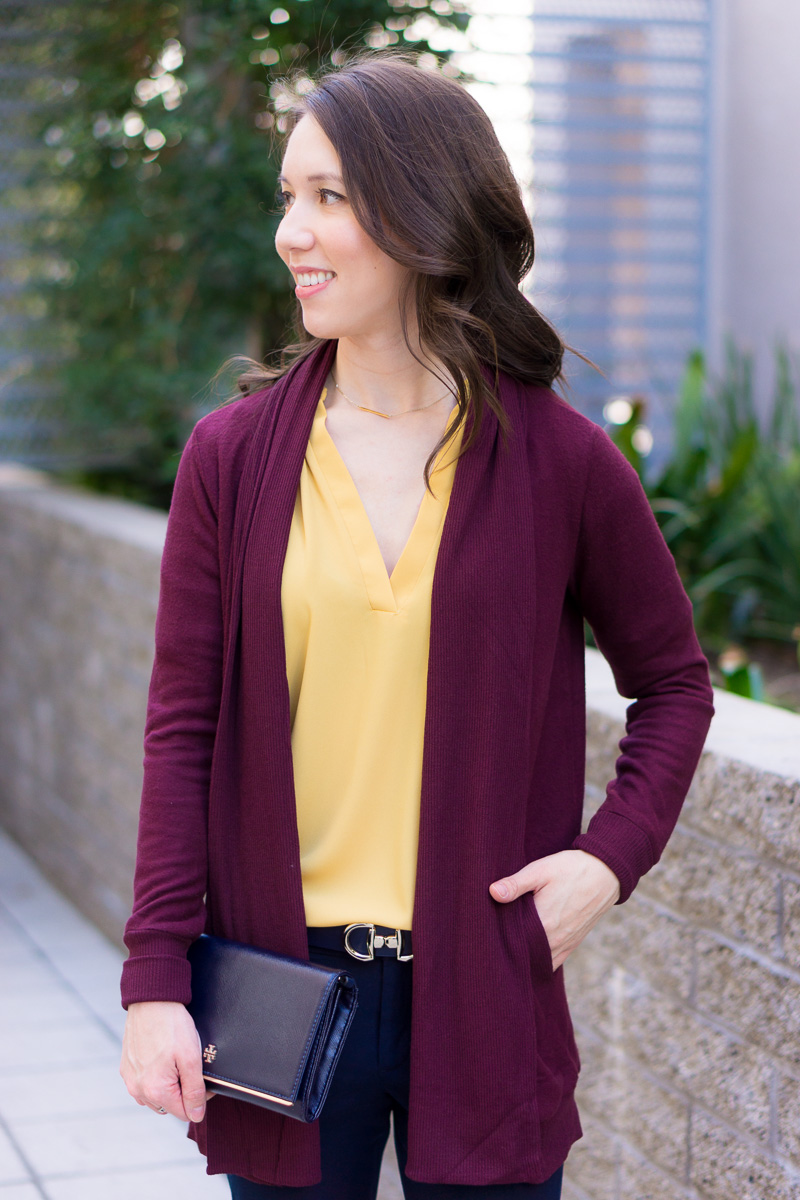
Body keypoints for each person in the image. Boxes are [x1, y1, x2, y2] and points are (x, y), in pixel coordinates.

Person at [119, 51, 715, 1200]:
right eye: (287, 196)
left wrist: (607, 859)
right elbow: (180, 729)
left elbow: (674, 685)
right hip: (279, 991)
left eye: (329, 197)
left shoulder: (559, 461)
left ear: (422, 208)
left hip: (482, 987)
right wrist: (154, 981)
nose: (293, 231)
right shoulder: (231, 462)